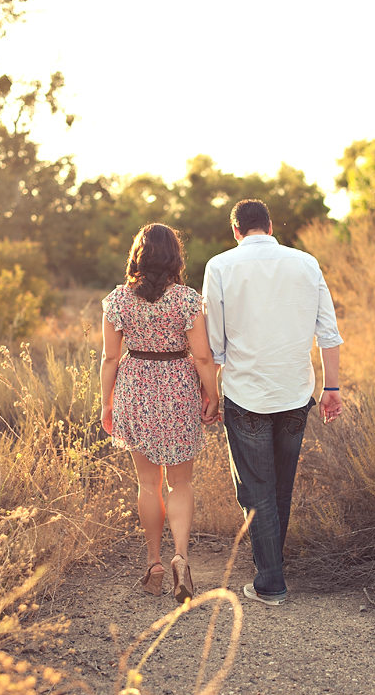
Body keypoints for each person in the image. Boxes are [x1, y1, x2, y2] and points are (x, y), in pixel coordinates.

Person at [202, 199, 343, 606]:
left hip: (246, 393)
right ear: (268, 226)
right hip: (296, 394)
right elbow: (328, 332)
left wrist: (210, 393)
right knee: (280, 487)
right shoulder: (306, 262)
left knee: (256, 489)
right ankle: (271, 570)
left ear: (236, 231)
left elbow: (213, 343)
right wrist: (331, 390)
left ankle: (271, 581)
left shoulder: (220, 266)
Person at [100, 223, 220, 603]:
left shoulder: (118, 301)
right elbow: (202, 356)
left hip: (135, 387)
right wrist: (211, 393)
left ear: (138, 255)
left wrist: (106, 403)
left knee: (147, 484)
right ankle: (180, 558)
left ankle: (153, 562)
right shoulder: (186, 300)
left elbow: (109, 358)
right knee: (180, 483)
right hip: (178, 388)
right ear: (174, 256)